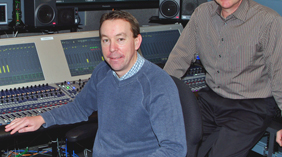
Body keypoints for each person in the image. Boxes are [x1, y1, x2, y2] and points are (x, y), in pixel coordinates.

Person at [163, 0, 282, 157]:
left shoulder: (268, 21)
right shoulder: (202, 14)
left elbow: (281, 74)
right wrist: (157, 95)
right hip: (210, 100)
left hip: (249, 107)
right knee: (176, 145)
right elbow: (179, 58)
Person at [5, 10, 187, 157]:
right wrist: (41, 118)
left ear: (137, 41)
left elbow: (174, 149)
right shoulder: (103, 72)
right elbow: (79, 108)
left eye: (120, 39)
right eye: (106, 40)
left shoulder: (158, 84)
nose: (112, 48)